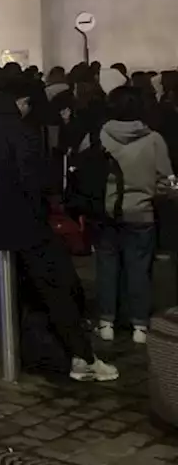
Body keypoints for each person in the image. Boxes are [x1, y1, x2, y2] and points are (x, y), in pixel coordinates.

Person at [0, 72, 118, 382]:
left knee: (9, 294)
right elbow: (36, 180)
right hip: (26, 226)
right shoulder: (19, 132)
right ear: (16, 103)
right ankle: (80, 356)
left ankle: (29, 353)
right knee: (54, 289)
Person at [93, 85, 173, 344]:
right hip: (141, 213)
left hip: (106, 212)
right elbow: (165, 180)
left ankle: (106, 322)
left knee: (107, 267)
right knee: (139, 268)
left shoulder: (100, 134)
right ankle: (139, 325)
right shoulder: (153, 139)